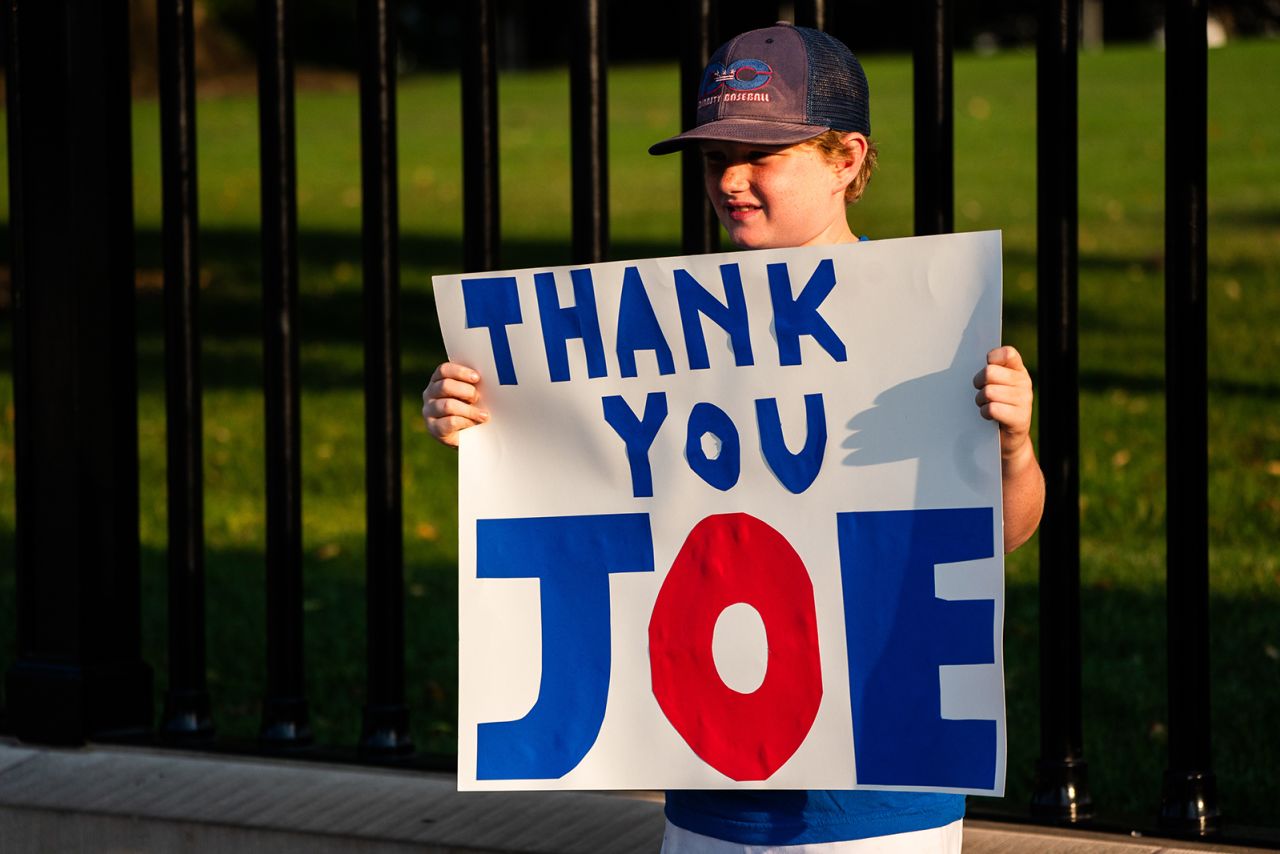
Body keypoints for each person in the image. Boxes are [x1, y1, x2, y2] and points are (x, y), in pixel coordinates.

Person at [425, 22, 1044, 853]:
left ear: (848, 160)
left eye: (764, 154)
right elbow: (585, 484)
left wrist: (1012, 452)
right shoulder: (659, 343)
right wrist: (484, 418)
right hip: (708, 795)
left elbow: (992, 534)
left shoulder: (923, 331)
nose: (733, 181)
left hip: (879, 800)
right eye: (718, 159)